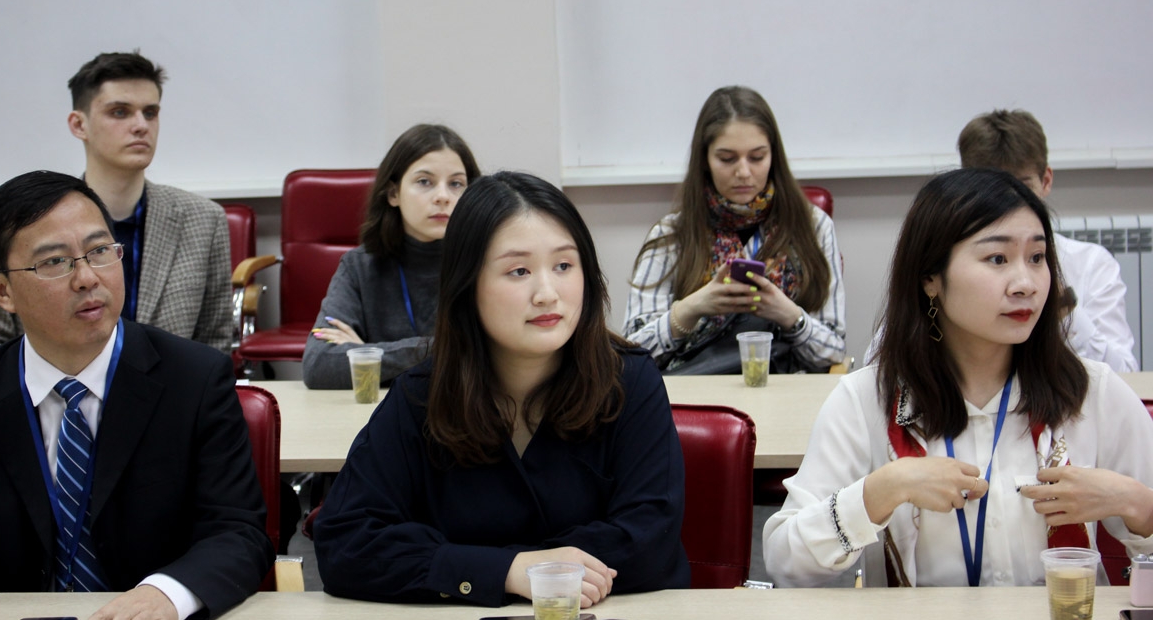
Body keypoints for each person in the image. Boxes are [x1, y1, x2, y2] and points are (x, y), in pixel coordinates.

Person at [313, 171, 690, 607]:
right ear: (466, 286)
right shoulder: (423, 394)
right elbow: (345, 544)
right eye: (519, 271)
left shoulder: (628, 381)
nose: (548, 293)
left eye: (564, 266)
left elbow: (648, 540)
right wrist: (508, 572)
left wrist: (490, 565)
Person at [763, 168, 1153, 588]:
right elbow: (786, 561)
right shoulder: (867, 400)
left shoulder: (1092, 391)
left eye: (1037, 258)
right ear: (931, 277)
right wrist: (881, 491)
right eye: (997, 259)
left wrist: (1135, 504)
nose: (1026, 283)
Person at [0, 171, 273, 619]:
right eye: (54, 262)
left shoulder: (194, 379)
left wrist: (167, 594)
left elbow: (238, 531)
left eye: (100, 251)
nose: (87, 278)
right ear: (2, 291)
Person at [0, 51, 232, 366]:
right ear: (79, 124)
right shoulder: (27, 219)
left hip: (170, 406)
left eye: (150, 112)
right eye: (120, 112)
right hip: (54, 405)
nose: (141, 125)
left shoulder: (202, 220)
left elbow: (215, 348)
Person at [624, 85, 845, 374]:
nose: (743, 172)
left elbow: (833, 351)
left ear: (773, 157)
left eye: (757, 157)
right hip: (697, 400)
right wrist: (691, 309)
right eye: (727, 159)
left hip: (786, 394)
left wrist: (789, 315)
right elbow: (631, 358)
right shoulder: (671, 235)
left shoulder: (814, 226)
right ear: (705, 160)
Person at [302, 124, 481, 389]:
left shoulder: (484, 263)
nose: (443, 196)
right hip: (382, 415)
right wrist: (445, 349)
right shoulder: (359, 267)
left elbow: (492, 356)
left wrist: (367, 354)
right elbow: (319, 365)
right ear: (393, 193)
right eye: (425, 182)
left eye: (456, 184)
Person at [958, 109, 1138, 372]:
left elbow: (1125, 375)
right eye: (991, 187)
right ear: (964, 188)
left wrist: (1065, 311)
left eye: (1022, 185)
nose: (1008, 203)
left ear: (1046, 180)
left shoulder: (1091, 263)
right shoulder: (948, 264)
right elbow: (881, 363)